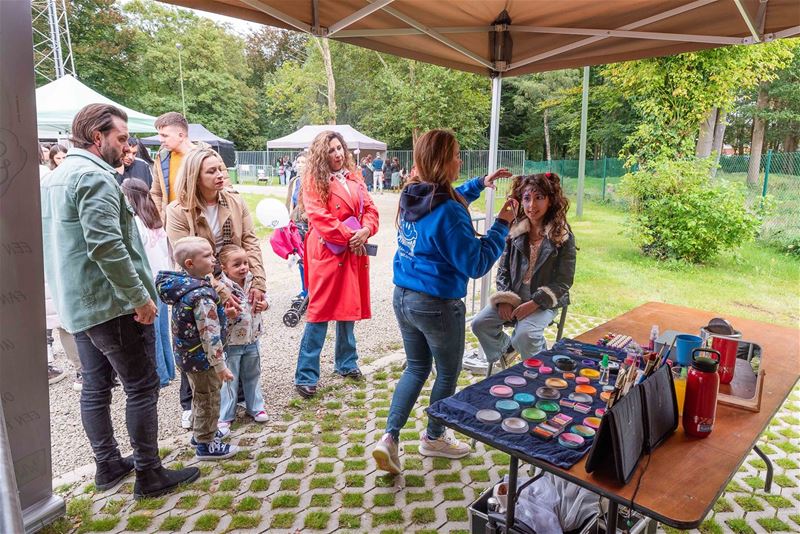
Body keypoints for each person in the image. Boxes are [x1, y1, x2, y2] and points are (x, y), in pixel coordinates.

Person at [40, 103, 199, 498]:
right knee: (142, 386)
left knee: (96, 387)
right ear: (98, 137)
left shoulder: (55, 178)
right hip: (112, 304)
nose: (127, 147)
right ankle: (149, 473)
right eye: (122, 138)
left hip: (79, 305)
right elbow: (107, 246)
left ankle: (108, 464)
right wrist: (139, 299)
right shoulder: (94, 178)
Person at [372, 129, 517, 473]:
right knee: (448, 371)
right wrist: (502, 224)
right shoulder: (449, 212)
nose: (460, 161)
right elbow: (476, 263)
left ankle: (389, 438)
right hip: (437, 304)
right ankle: (434, 438)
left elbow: (446, 199)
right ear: (441, 162)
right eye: (455, 155)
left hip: (403, 297)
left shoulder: (413, 194)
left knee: (417, 367)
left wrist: (480, 183)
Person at [166, 147, 267, 427]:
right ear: (195, 176)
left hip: (235, 276)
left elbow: (250, 241)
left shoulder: (234, 201)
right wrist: (221, 292)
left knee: (239, 337)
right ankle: (192, 404)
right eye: (211, 171)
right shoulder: (177, 211)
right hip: (198, 286)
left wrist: (258, 282)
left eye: (221, 168)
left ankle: (239, 396)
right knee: (200, 341)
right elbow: (185, 258)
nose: (220, 174)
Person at [294, 131, 379, 399]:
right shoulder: (313, 180)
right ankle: (306, 375)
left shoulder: (355, 176)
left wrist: (366, 230)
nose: (338, 154)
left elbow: (371, 209)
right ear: (322, 154)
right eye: (331, 150)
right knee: (319, 312)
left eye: (340, 148)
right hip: (327, 250)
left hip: (352, 249)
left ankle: (346, 362)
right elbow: (319, 217)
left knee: (348, 307)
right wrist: (351, 236)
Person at [471, 173, 576, 366]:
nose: (531, 205)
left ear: (550, 200)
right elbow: (503, 270)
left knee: (524, 335)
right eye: (527, 198)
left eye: (539, 198)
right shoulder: (515, 231)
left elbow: (564, 281)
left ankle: (536, 371)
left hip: (545, 302)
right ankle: (508, 349)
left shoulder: (562, 235)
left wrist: (535, 303)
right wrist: (505, 299)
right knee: (479, 324)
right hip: (515, 297)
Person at [155, 237, 239, 459]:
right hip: (204, 359)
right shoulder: (201, 296)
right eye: (207, 256)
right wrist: (220, 365)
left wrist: (224, 315)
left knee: (200, 396)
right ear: (190, 263)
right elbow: (209, 334)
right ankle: (206, 443)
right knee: (209, 399)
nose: (214, 259)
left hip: (189, 357)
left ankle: (201, 432)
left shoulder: (185, 287)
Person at [121, 178, 175, 388]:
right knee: (162, 330)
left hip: (149, 280)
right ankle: (168, 369)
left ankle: (159, 375)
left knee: (152, 333)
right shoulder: (155, 221)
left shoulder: (135, 223)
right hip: (163, 277)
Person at [217, 244, 269, 431]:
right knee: (229, 380)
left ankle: (256, 407)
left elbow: (266, 298)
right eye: (237, 264)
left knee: (253, 374)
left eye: (245, 263)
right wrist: (226, 313)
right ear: (224, 268)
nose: (243, 267)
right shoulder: (222, 287)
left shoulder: (253, 281)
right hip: (231, 343)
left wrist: (265, 305)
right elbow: (215, 312)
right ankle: (226, 415)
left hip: (252, 338)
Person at [150, 112, 198, 221]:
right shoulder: (161, 158)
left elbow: (224, 193)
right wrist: (160, 218)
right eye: (159, 135)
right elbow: (156, 193)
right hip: (171, 224)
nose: (160, 140)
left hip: (200, 223)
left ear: (181, 135)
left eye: (165, 135)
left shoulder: (206, 157)